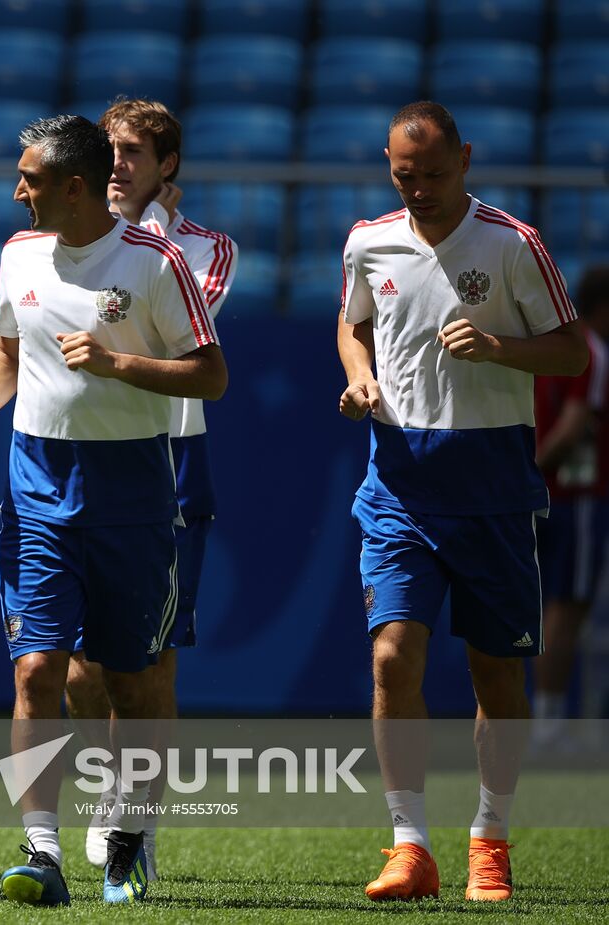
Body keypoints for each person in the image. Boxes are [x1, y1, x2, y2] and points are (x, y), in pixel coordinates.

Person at [0, 114, 226, 906]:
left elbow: (210, 374)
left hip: (133, 493)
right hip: (38, 487)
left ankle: (129, 833)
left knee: (133, 681)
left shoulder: (154, 261)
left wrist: (121, 362)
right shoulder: (17, 256)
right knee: (36, 668)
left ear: (74, 188)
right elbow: (8, 356)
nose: (16, 191)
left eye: (31, 179)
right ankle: (42, 848)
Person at [337, 101, 587, 903]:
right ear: (388, 164)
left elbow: (574, 350)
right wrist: (358, 375)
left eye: (436, 175)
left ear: (467, 159)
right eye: (406, 176)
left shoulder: (514, 244)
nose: (421, 191)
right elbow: (354, 325)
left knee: (496, 677)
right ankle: (410, 845)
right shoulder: (368, 242)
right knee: (390, 656)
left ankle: (490, 836)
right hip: (400, 483)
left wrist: (500, 346)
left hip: (493, 491)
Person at [64, 97, 238, 877]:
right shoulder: (63, 238)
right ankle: (113, 792)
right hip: (79, 457)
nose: (119, 161)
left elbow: (185, 328)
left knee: (153, 657)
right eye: (109, 148)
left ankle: (135, 824)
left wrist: (151, 237)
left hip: (169, 460)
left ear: (166, 165)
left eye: (134, 150)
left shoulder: (205, 248)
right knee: (78, 667)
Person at [532, 266, 609, 749]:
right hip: (575, 500)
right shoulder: (591, 353)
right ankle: (548, 723)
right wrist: (536, 470)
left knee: (545, 608)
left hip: (539, 498)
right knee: (567, 608)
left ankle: (543, 719)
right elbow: (574, 425)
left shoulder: (547, 345)